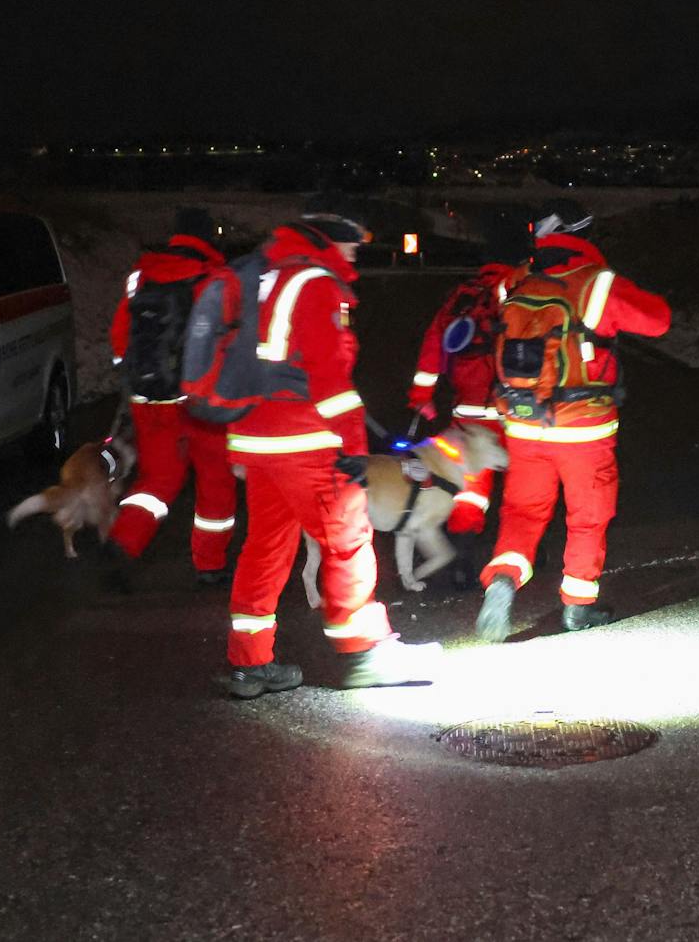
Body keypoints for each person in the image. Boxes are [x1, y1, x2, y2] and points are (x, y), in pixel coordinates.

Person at [224, 206, 441, 696]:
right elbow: (329, 378)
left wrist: (238, 442)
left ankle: (249, 664)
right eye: (351, 243)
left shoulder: (261, 279)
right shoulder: (316, 284)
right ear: (328, 239)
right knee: (347, 541)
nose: (355, 253)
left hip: (257, 441)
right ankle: (365, 654)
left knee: (264, 549)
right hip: (308, 439)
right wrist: (356, 450)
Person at [475, 210, 672, 642]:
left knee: (524, 513)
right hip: (584, 429)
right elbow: (659, 320)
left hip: (524, 424)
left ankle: (504, 577)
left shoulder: (514, 282)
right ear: (584, 237)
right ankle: (578, 606)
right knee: (587, 517)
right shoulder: (597, 283)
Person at [104, 207, 238, 590]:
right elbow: (228, 339)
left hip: (150, 400)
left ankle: (122, 543)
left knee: (157, 480)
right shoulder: (217, 279)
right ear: (210, 237)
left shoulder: (140, 276)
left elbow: (119, 341)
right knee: (215, 482)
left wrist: (137, 382)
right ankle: (210, 565)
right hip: (201, 402)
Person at [406, 211, 533, 580]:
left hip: (468, 408)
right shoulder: (526, 288)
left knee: (471, 485)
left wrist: (421, 395)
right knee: (523, 483)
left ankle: (462, 557)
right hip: (515, 407)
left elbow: (434, 343)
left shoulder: (465, 293)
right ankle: (521, 552)